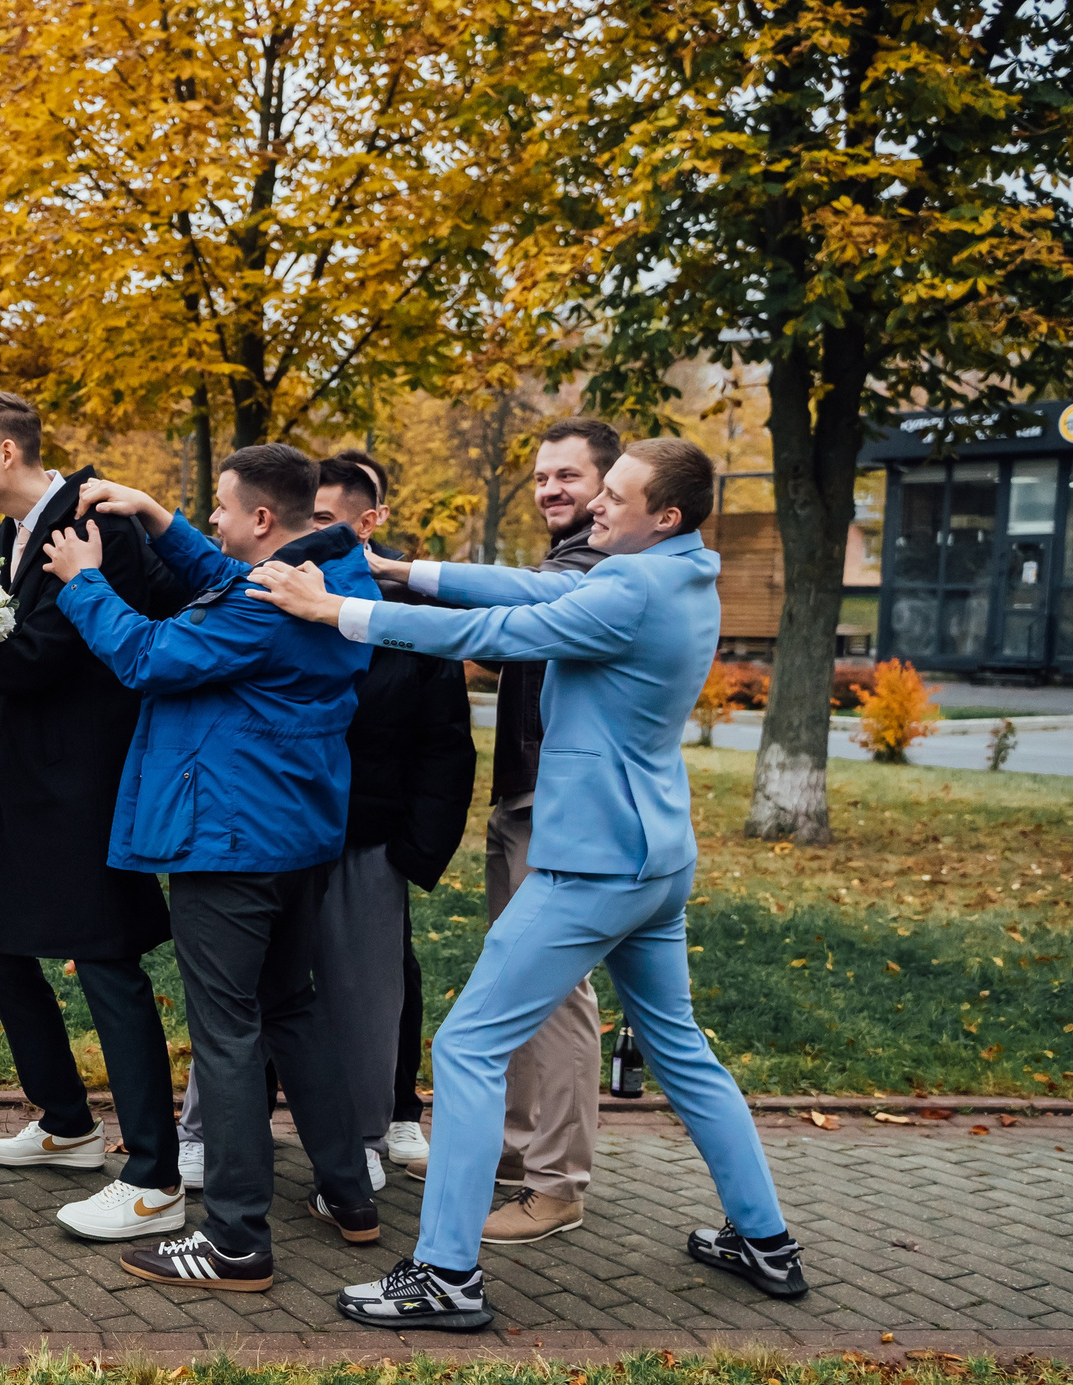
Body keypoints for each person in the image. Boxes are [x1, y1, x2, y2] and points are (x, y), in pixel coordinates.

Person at [249, 437, 808, 1329]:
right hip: (657, 856)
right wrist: (403, 570)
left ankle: (445, 1275)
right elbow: (530, 588)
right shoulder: (680, 572)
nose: (597, 505)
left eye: (616, 495)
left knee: (467, 1048)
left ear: (664, 514)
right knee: (680, 1049)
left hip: (593, 864)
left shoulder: (629, 588)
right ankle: (765, 1238)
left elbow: (496, 633)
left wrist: (339, 611)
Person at [34, 447, 377, 1293]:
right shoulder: (330, 575)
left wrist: (84, 581)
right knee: (290, 1007)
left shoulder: (265, 607)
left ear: (261, 517)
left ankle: (234, 1239)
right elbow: (229, 578)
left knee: (227, 1034)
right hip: (294, 834)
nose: (213, 520)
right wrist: (159, 518)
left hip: (228, 839)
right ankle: (349, 1195)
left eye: (220, 507)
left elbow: (149, 655)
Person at [165, 453, 473, 1198]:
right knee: (246, 990)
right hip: (275, 827)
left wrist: (412, 851)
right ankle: (206, 1133)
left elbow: (443, 743)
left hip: (365, 836)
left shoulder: (401, 615)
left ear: (367, 525)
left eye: (329, 522)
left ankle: (361, 1142)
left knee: (361, 998)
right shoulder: (258, 592)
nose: (314, 536)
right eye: (309, 519)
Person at [0, 391, 187, 1245]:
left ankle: (153, 1174)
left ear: (7, 452)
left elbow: (63, 649)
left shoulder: (96, 522)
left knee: (106, 961)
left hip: (81, 782)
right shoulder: (3, 538)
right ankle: (67, 1122)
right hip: (6, 778)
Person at [401, 418, 626, 1242]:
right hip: (525, 796)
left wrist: (390, 579)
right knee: (523, 983)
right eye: (540, 476)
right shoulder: (565, 563)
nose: (550, 489)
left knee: (556, 993)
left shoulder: (597, 567)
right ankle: (517, 1148)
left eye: (569, 475)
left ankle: (557, 1183)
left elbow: (506, 606)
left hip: (562, 808)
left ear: (607, 488)